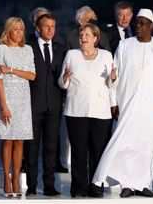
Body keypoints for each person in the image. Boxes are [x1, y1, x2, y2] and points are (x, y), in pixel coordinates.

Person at [92, 9, 153, 198]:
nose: (138, 26)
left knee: (148, 146)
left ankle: (143, 184)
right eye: (137, 22)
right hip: (128, 103)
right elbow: (115, 75)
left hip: (152, 106)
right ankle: (116, 183)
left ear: (151, 26)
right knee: (122, 142)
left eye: (143, 23)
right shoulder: (124, 45)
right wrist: (113, 102)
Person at [60, 23, 116, 198]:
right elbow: (62, 83)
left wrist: (113, 78)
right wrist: (65, 78)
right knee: (78, 151)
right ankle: (78, 187)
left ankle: (96, 186)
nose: (83, 38)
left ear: (95, 38)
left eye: (87, 35)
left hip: (101, 112)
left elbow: (111, 84)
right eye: (81, 35)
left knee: (98, 150)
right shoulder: (72, 55)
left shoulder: (106, 55)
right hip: (76, 111)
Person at [0, 17, 36, 197]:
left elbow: (32, 75)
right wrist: (3, 105)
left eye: (21, 29)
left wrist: (10, 69)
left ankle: (17, 178)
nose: (19, 33)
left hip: (23, 99)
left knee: (20, 140)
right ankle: (6, 177)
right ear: (8, 30)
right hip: (7, 97)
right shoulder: (1, 48)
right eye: (16, 29)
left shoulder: (28, 49)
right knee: (8, 139)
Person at [25, 13, 66, 197]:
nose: (50, 29)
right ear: (38, 28)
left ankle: (49, 185)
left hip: (54, 106)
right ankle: (32, 186)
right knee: (32, 147)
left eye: (53, 26)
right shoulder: (28, 47)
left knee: (51, 147)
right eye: (46, 26)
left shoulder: (60, 49)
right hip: (33, 104)